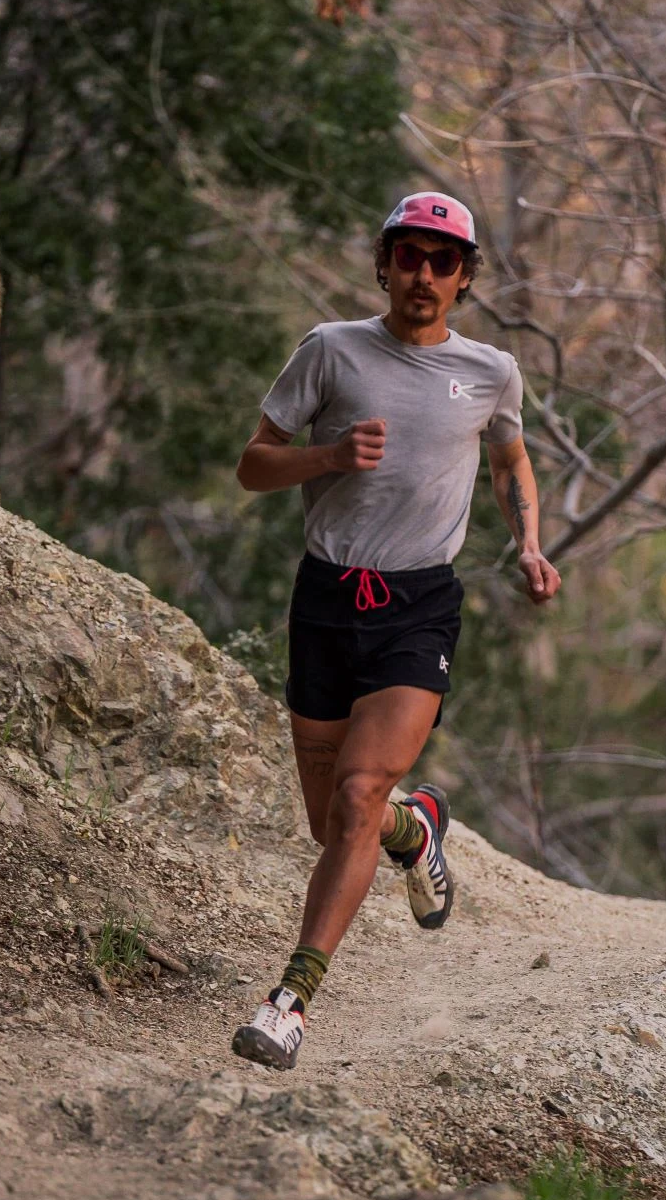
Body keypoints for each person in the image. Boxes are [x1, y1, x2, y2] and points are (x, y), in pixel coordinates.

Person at [231, 192, 561, 1070]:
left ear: (465, 278)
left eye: (443, 262)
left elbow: (510, 457)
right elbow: (253, 463)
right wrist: (328, 457)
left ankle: (290, 1000)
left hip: (419, 606)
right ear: (384, 262)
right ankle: (416, 831)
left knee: (354, 798)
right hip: (326, 600)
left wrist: (529, 543)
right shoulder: (330, 350)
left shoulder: (492, 371)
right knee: (333, 820)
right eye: (409, 256)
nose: (424, 275)